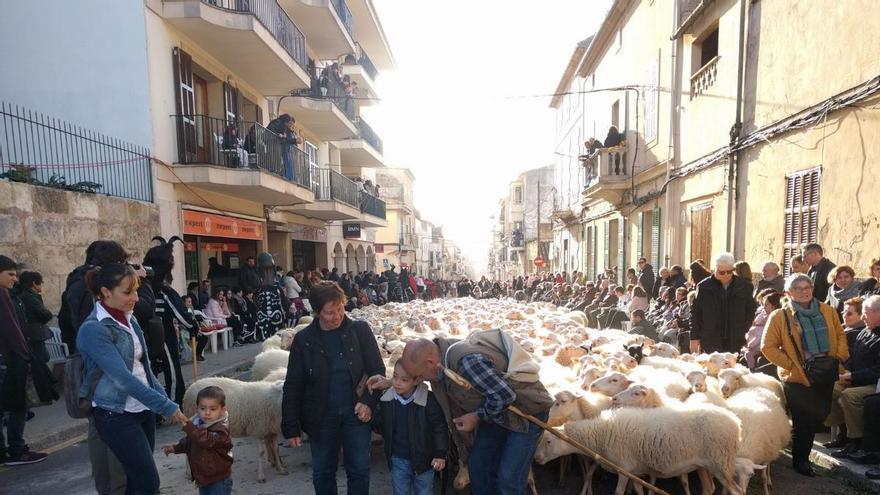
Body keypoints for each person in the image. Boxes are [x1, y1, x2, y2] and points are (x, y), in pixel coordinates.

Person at [389, 331, 553, 495]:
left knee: (509, 479)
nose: (422, 380)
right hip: (497, 412)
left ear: (430, 362)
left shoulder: (467, 363)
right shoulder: (440, 361)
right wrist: (391, 383)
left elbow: (505, 395)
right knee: (478, 465)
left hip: (526, 413)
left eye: (420, 375)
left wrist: (477, 416)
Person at [76, 263, 189, 493]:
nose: (135, 298)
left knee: (138, 481)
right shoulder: (93, 329)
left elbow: (144, 369)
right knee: (148, 481)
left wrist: (163, 400)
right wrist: (165, 405)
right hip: (114, 413)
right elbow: (122, 378)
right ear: (106, 292)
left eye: (136, 290)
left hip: (142, 409)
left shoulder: (130, 319)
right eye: (127, 292)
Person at [281, 281, 384, 495]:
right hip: (321, 417)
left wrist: (368, 402)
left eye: (340, 309)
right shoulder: (304, 340)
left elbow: (377, 372)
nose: (337, 316)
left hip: (355, 414)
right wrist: (290, 425)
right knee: (323, 472)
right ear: (317, 312)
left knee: (359, 470)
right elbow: (293, 384)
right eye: (329, 312)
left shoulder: (360, 331)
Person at [761, 273, 848, 476]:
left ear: (812, 289)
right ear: (788, 292)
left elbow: (840, 333)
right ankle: (801, 460)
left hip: (826, 370)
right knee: (804, 419)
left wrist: (840, 357)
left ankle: (798, 449)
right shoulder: (780, 316)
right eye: (797, 288)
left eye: (806, 287)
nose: (803, 292)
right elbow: (768, 346)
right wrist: (791, 365)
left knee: (821, 413)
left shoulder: (827, 310)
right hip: (798, 376)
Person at [0, 256, 49, 466]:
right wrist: (26, 355)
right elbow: (12, 329)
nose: (14, 279)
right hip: (9, 359)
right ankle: (17, 449)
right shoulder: (2, 294)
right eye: (10, 274)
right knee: (18, 405)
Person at [373, 360, 447, 495]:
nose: (397, 382)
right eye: (394, 376)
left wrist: (440, 454)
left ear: (417, 380)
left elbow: (439, 428)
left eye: (404, 380)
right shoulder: (387, 400)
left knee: (424, 491)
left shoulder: (428, 400)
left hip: (424, 460)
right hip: (398, 459)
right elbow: (380, 426)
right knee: (400, 491)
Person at [823, 295, 880, 459]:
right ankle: (843, 435)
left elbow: (877, 371)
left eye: (865, 313)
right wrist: (845, 373)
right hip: (857, 378)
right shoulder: (865, 331)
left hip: (874, 384)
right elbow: (853, 358)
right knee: (830, 388)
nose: (862, 317)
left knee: (849, 396)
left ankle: (856, 441)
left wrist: (853, 376)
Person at [163, 386, 234, 495]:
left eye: (213, 409)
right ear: (197, 408)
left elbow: (207, 441)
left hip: (218, 480)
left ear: (222, 410)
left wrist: (191, 429)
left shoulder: (221, 429)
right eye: (203, 408)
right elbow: (190, 441)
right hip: (203, 478)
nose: (207, 413)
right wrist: (175, 448)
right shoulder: (198, 424)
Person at [689, 253, 757, 354]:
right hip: (710, 338)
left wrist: (746, 329)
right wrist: (694, 338)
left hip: (736, 338)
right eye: (722, 272)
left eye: (729, 272)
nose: (726, 275)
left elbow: (751, 310)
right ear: (715, 269)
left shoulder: (744, 286)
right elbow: (695, 314)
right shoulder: (704, 287)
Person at [15, 271, 53, 364]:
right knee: (40, 361)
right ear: (34, 284)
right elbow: (45, 314)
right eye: (41, 282)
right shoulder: (30, 297)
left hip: (32, 333)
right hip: (34, 334)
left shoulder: (24, 296)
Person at [744, 289, 782, 372]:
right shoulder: (763, 315)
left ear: (774, 306)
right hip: (758, 344)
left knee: (754, 358)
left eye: (766, 305)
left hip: (766, 346)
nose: (763, 308)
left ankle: (752, 370)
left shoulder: (776, 318)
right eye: (762, 305)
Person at [254, 254, 289, 341]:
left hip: (265, 315)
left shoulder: (258, 287)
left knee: (267, 338)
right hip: (274, 315)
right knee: (276, 338)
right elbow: (283, 303)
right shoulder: (276, 287)